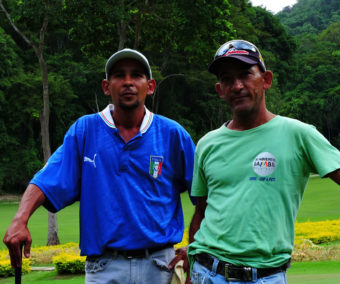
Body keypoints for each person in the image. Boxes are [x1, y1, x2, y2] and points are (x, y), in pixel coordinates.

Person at [184, 40, 340, 283]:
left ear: (266, 80)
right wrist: (192, 264)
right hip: (208, 273)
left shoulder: (298, 134)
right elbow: (202, 211)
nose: (237, 85)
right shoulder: (207, 144)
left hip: (266, 276)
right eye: (227, 79)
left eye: (245, 74)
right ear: (219, 89)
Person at [3, 48, 196, 283]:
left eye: (136, 75)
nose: (127, 82)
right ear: (106, 86)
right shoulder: (85, 131)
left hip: (159, 265)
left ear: (151, 86)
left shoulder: (173, 134)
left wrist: (198, 248)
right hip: (104, 268)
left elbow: (206, 196)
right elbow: (47, 179)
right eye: (119, 75)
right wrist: (19, 220)